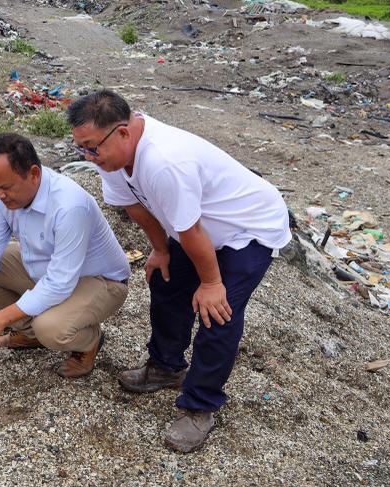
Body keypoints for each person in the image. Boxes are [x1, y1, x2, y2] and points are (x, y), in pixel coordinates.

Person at [67, 90, 291, 453]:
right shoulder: (111, 157)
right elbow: (135, 207)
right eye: (83, 149)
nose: (89, 157)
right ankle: (166, 366)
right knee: (165, 279)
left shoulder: (164, 162)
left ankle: (200, 405)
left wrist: (212, 282)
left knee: (217, 311)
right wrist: (159, 249)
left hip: (248, 228)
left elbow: (192, 231)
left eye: (93, 148)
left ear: (122, 132)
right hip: (202, 229)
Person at [0, 133, 130, 378]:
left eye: (6, 187)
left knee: (51, 328)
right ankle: (29, 334)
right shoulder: (1, 197)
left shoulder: (69, 206)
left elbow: (59, 284)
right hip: (47, 271)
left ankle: (90, 341)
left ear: (34, 174)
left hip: (100, 282)